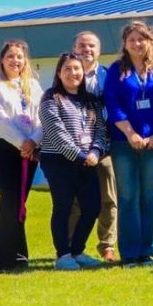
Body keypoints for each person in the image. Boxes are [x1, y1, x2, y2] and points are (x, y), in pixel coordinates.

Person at [105, 21, 153, 267]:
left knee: (149, 196)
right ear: (125, 44)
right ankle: (129, 253)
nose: (137, 44)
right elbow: (112, 104)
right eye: (131, 40)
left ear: (150, 41)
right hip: (123, 142)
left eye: (141, 39)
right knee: (127, 197)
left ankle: (147, 252)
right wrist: (130, 133)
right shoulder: (116, 70)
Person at [39, 52, 109, 271]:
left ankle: (77, 250)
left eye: (76, 68)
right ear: (59, 73)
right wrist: (80, 156)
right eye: (67, 69)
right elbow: (56, 131)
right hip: (59, 161)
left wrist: (95, 152)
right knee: (63, 207)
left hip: (88, 161)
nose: (72, 73)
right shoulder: (51, 98)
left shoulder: (91, 100)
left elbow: (101, 129)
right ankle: (63, 255)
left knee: (93, 206)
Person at [0, 40, 44, 273]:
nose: (15, 61)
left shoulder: (33, 86)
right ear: (2, 60)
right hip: (2, 147)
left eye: (19, 56)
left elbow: (41, 118)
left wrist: (33, 141)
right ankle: (2, 258)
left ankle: (19, 255)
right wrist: (20, 141)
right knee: (10, 198)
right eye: (10, 56)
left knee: (20, 201)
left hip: (29, 148)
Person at [68, 31, 119, 262]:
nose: (86, 49)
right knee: (75, 200)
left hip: (105, 145)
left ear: (99, 50)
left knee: (109, 198)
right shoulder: (67, 75)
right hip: (75, 149)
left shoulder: (110, 76)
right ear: (74, 49)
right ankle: (71, 246)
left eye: (91, 46)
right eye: (82, 45)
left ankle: (107, 245)